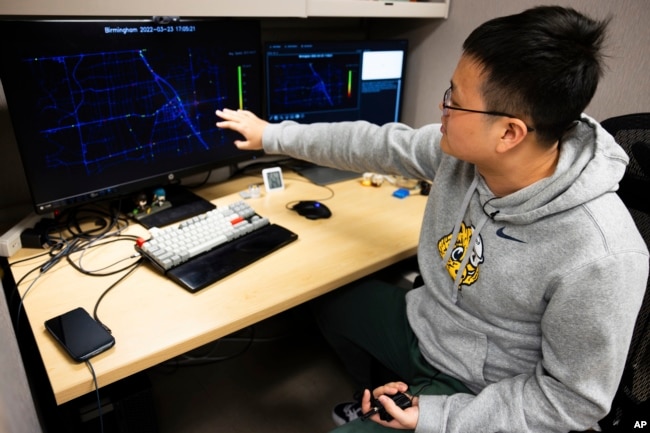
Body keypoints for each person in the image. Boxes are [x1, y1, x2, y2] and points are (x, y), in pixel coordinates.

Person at [216, 6, 649, 433]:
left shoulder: (603, 256)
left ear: (509, 133)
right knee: (329, 300)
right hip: (428, 325)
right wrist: (271, 134)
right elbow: (376, 145)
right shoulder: (462, 156)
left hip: (483, 390)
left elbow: (571, 402)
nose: (441, 109)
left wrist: (437, 417)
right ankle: (381, 397)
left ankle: (401, 409)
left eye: (454, 102)